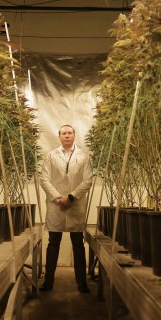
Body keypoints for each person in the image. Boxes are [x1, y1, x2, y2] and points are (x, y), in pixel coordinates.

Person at [39, 124, 93, 293]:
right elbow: (44, 179)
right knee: (53, 243)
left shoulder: (84, 157)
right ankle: (48, 282)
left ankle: (81, 283)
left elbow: (88, 180)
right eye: (64, 133)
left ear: (74, 135)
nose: (67, 136)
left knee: (78, 244)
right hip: (56, 206)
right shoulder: (50, 156)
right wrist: (58, 198)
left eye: (70, 133)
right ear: (59, 136)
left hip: (75, 205)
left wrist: (70, 197)